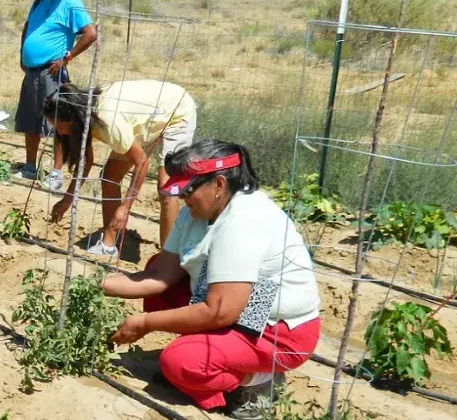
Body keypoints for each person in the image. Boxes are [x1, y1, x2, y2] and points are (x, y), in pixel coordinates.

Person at [97, 139, 322, 420]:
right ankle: (215, 354)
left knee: (179, 363)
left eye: (189, 190)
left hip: (274, 327)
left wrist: (144, 323)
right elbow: (160, 275)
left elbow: (219, 312)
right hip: (236, 304)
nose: (183, 198)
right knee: (161, 274)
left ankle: (257, 381)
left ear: (218, 184)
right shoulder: (197, 213)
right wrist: (97, 284)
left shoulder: (244, 221)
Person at [44, 80, 197, 256]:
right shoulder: (83, 117)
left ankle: (169, 257)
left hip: (175, 109)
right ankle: (108, 246)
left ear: (72, 118)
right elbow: (86, 163)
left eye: (61, 127)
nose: (61, 132)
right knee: (109, 176)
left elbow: (142, 162)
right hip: (144, 118)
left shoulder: (107, 121)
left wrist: (125, 208)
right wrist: (67, 199)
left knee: (167, 187)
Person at [15, 0, 98, 191]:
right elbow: (27, 27)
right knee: (30, 120)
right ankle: (30, 167)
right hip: (32, 71)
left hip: (52, 72)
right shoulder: (39, 0)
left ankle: (56, 172)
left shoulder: (70, 1)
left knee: (58, 124)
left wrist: (66, 58)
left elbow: (90, 34)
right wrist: (23, 53)